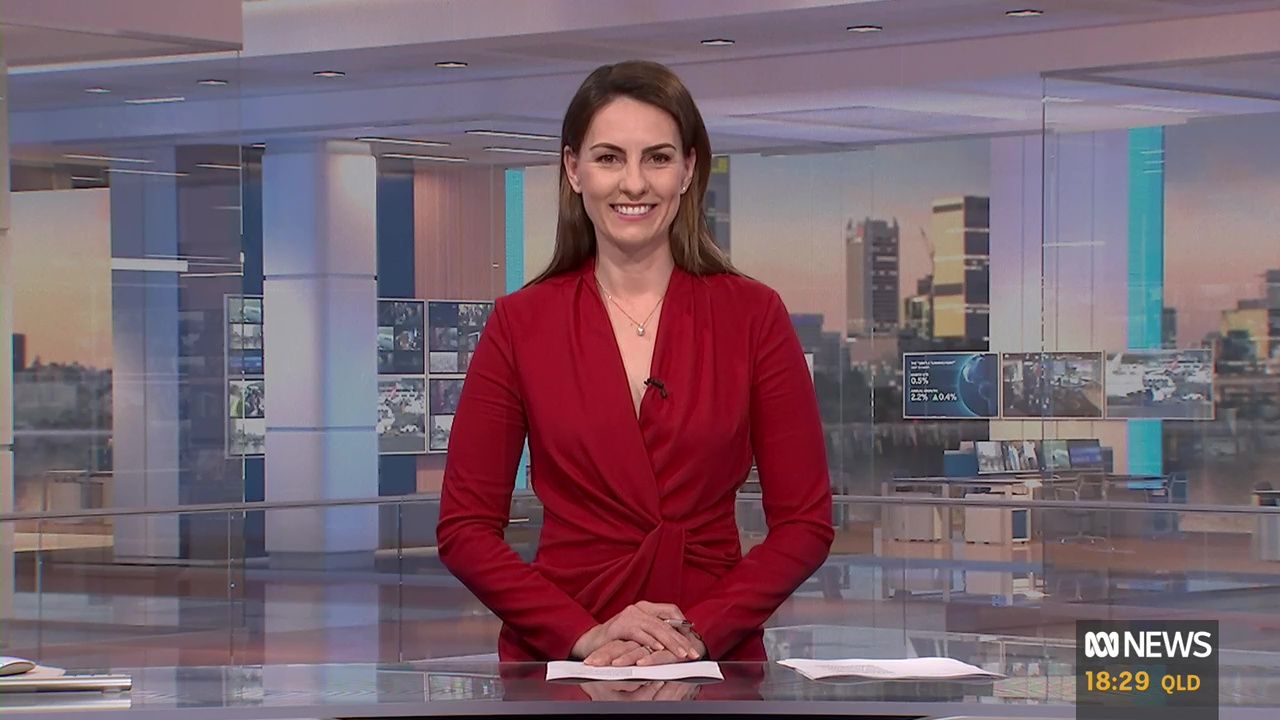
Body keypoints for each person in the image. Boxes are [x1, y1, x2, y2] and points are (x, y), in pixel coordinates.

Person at [437, 60, 833, 666]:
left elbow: (806, 524)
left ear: (688, 170)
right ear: (574, 170)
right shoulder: (520, 323)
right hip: (564, 655)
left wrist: (696, 633)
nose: (634, 183)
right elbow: (464, 529)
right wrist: (583, 634)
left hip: (709, 655)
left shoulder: (754, 316)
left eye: (657, 158)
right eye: (609, 158)